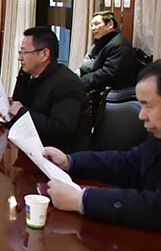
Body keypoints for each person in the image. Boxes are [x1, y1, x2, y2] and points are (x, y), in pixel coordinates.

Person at [43, 61, 161, 231]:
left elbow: (155, 208)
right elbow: (127, 163)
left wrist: (83, 200)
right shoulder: (156, 137)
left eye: (147, 105)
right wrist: (70, 162)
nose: (141, 116)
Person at [8, 26, 90, 152]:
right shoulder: (27, 74)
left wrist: (21, 112)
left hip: (59, 154)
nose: (20, 58)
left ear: (44, 54)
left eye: (24, 52)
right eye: (20, 52)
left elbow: (61, 129)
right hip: (28, 144)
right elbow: (20, 105)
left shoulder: (66, 83)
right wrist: (8, 109)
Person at [79, 11, 137, 91]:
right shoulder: (101, 41)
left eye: (97, 24)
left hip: (115, 89)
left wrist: (81, 82)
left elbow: (108, 73)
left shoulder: (119, 44)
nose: (93, 28)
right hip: (95, 82)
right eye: (91, 25)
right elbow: (89, 63)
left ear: (110, 25)